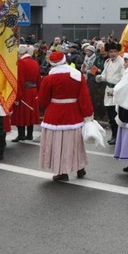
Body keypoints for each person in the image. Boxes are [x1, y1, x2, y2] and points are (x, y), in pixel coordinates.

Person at [38, 51, 94, 181]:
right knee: (75, 143)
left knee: (58, 144)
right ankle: (80, 168)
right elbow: (84, 97)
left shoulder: (48, 79)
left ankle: (62, 172)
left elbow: (43, 100)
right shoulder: (77, 75)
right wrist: (88, 115)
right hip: (73, 114)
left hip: (54, 115)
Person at [95, 42, 124, 145]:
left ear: (118, 52)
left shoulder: (122, 62)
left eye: (115, 51)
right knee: (110, 115)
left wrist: (116, 89)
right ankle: (114, 134)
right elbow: (105, 75)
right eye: (111, 51)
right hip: (108, 90)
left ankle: (118, 136)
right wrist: (100, 78)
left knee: (116, 115)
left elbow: (123, 77)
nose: (113, 54)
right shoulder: (107, 62)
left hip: (117, 91)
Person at [12, 44, 41, 142]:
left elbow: (19, 81)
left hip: (24, 91)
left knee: (21, 113)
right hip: (33, 91)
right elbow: (38, 80)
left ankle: (21, 134)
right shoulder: (35, 62)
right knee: (30, 113)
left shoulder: (21, 63)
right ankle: (29, 134)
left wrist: (17, 97)